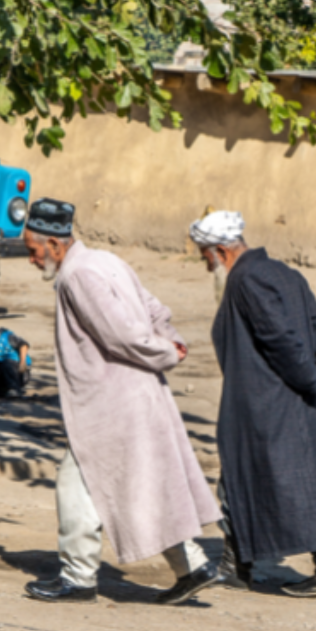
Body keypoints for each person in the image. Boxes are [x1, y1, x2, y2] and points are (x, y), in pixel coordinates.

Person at [18, 199, 223, 606]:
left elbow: (121, 335)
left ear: (56, 245)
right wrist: (172, 338)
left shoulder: (76, 276)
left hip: (112, 402)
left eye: (32, 250)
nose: (31, 260)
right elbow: (152, 308)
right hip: (137, 395)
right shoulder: (106, 260)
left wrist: (165, 351)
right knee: (145, 484)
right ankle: (194, 567)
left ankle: (77, 579)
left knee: (75, 484)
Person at [190, 210, 316, 597]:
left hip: (265, 402)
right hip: (287, 396)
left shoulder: (247, 279)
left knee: (262, 479)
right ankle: (240, 565)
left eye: (204, 254)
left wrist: (313, 378)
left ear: (219, 250)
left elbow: (278, 337)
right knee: (271, 478)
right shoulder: (282, 272)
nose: (203, 261)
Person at [0, 326, 32, 398]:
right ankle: (0, 389)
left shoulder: (6, 337)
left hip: (20, 371)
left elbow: (23, 344)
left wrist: (22, 362)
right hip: (6, 372)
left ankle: (14, 389)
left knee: (6, 363)